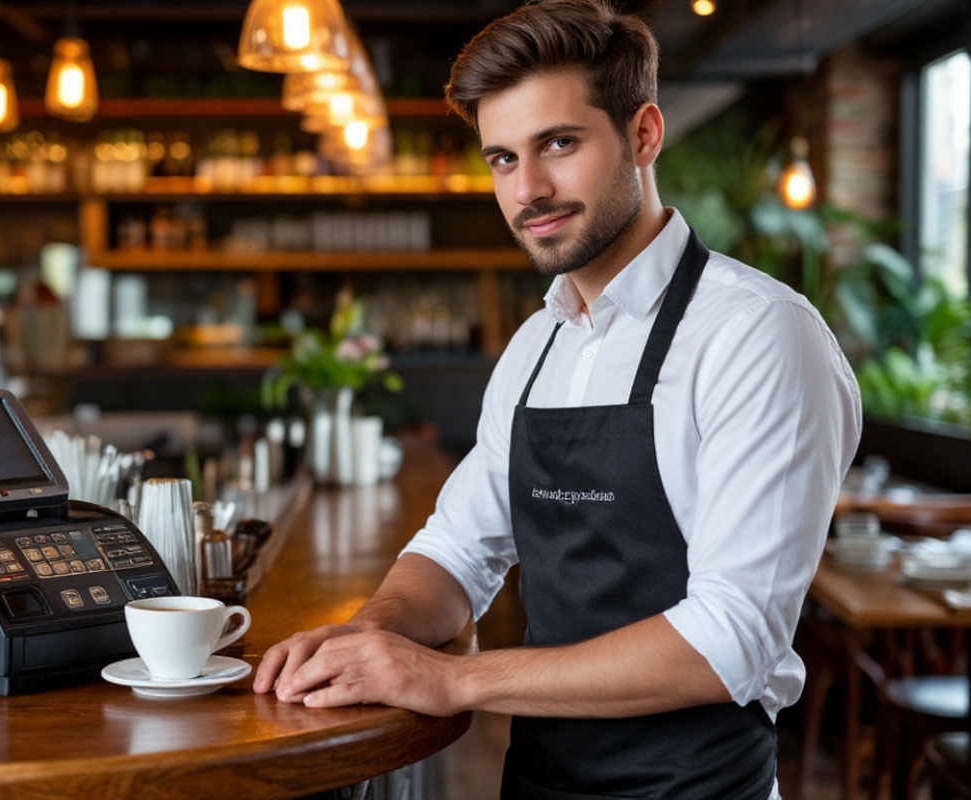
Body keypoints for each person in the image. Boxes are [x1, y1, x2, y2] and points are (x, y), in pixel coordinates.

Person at [253, 1, 861, 796]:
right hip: (541, 781)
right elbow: (458, 548)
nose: (528, 189)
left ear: (644, 135)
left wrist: (455, 682)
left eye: (559, 144)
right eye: (502, 159)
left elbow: (732, 639)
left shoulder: (757, 334)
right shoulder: (538, 347)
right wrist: (372, 635)